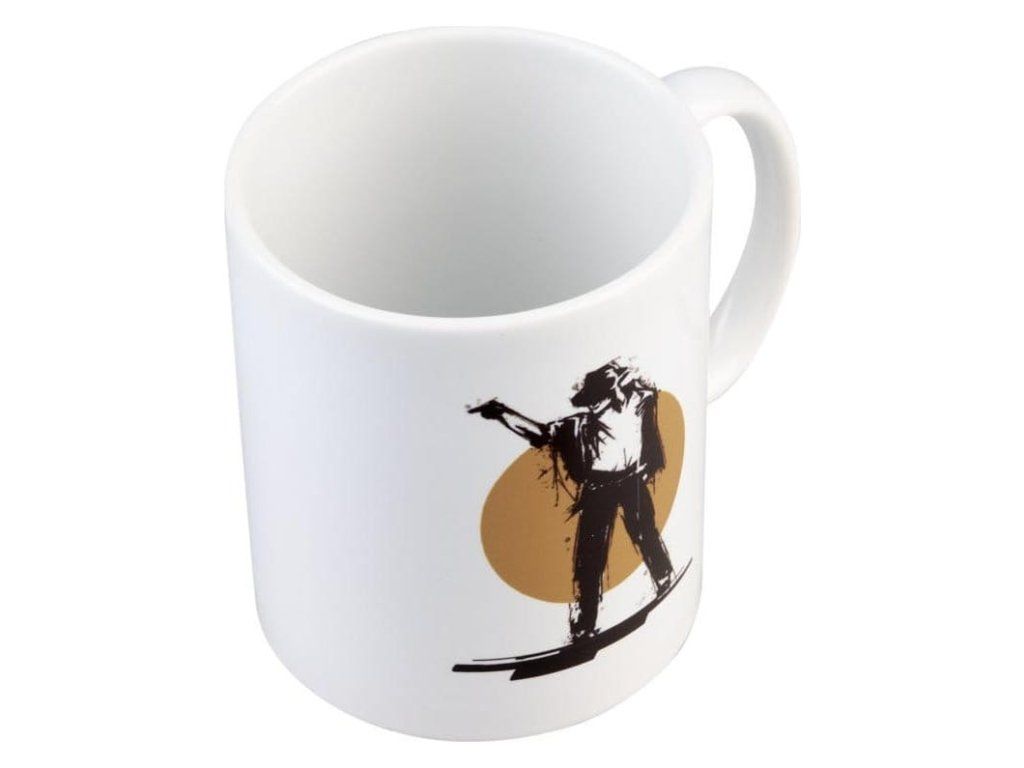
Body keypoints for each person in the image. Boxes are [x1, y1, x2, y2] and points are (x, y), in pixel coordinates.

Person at [470, 362, 674, 641]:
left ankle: (665, 577)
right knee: (590, 558)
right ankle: (584, 626)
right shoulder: (578, 425)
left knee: (645, 533)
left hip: (631, 482)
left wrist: (624, 378)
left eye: (597, 399)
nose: (593, 406)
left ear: (612, 393)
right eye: (590, 401)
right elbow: (540, 433)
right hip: (598, 488)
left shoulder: (639, 401)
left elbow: (647, 381)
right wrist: (503, 413)